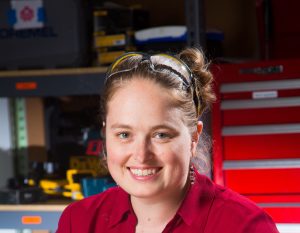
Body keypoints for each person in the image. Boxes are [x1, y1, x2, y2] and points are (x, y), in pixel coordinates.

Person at [56, 48, 279, 233]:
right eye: (124, 134)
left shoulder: (245, 227)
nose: (141, 155)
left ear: (193, 137)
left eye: (161, 135)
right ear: (105, 135)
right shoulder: (78, 223)